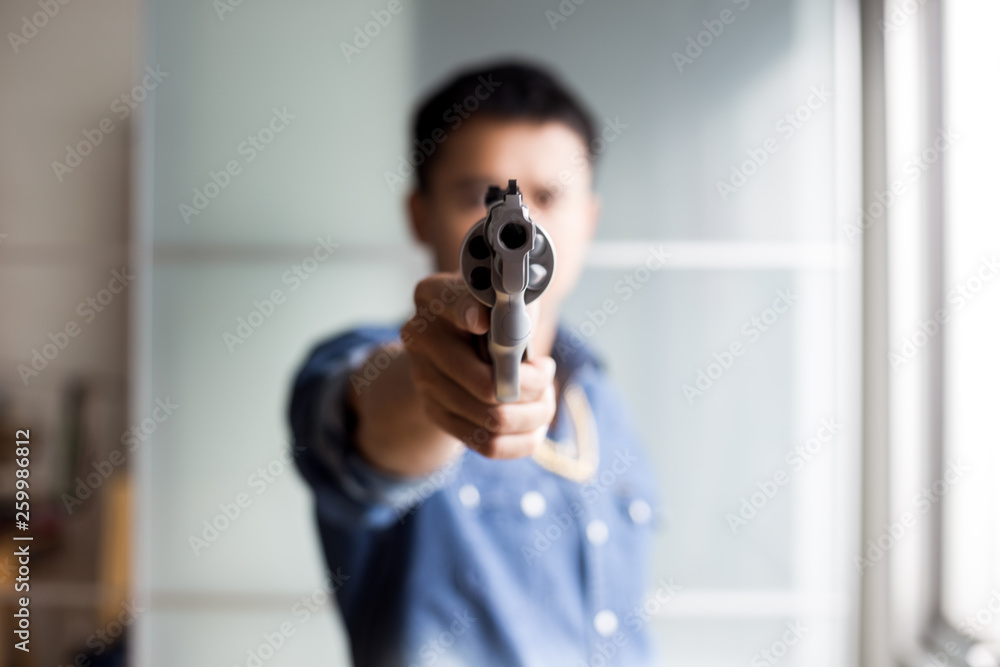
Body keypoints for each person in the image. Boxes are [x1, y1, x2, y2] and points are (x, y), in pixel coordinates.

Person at [289, 60, 659, 667]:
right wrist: (438, 383)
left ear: (589, 219)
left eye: (549, 196)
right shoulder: (373, 365)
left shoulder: (599, 398)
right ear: (419, 214)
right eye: (479, 197)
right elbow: (370, 423)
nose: (519, 227)